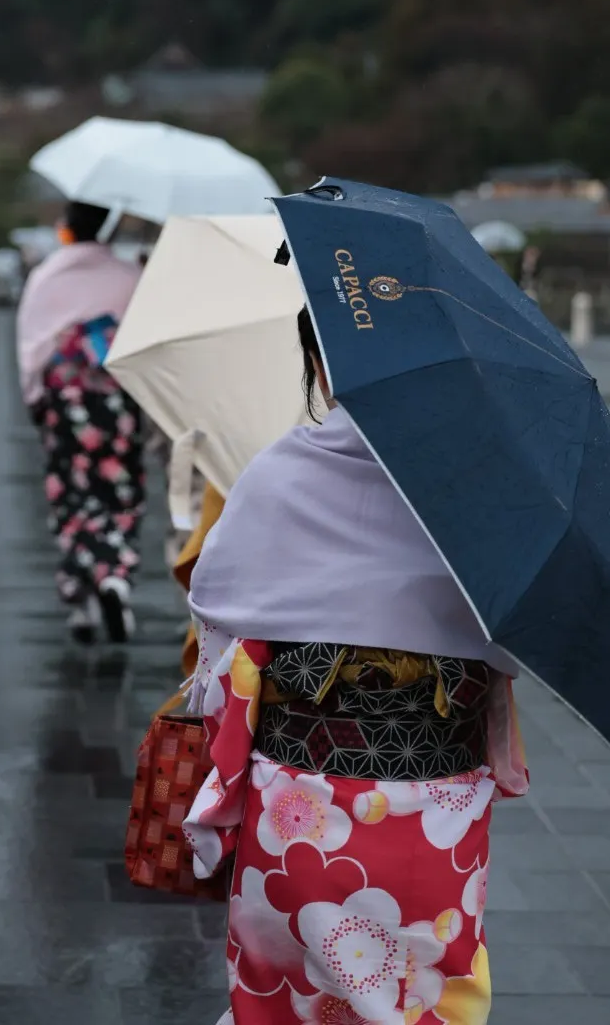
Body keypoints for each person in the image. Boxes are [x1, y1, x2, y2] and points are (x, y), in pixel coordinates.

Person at [183, 306, 528, 1025]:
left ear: (318, 361)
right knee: (421, 996)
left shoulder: (279, 476)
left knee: (288, 998)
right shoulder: (477, 488)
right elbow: (506, 645)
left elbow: (219, 627)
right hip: (437, 817)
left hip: (298, 812)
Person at [16, 200, 144, 643]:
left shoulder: (47, 276)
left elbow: (31, 348)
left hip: (65, 398)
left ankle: (80, 600)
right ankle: (116, 577)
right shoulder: (130, 276)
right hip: (116, 396)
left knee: (72, 495)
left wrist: (35, 399)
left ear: (67, 228)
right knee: (118, 490)